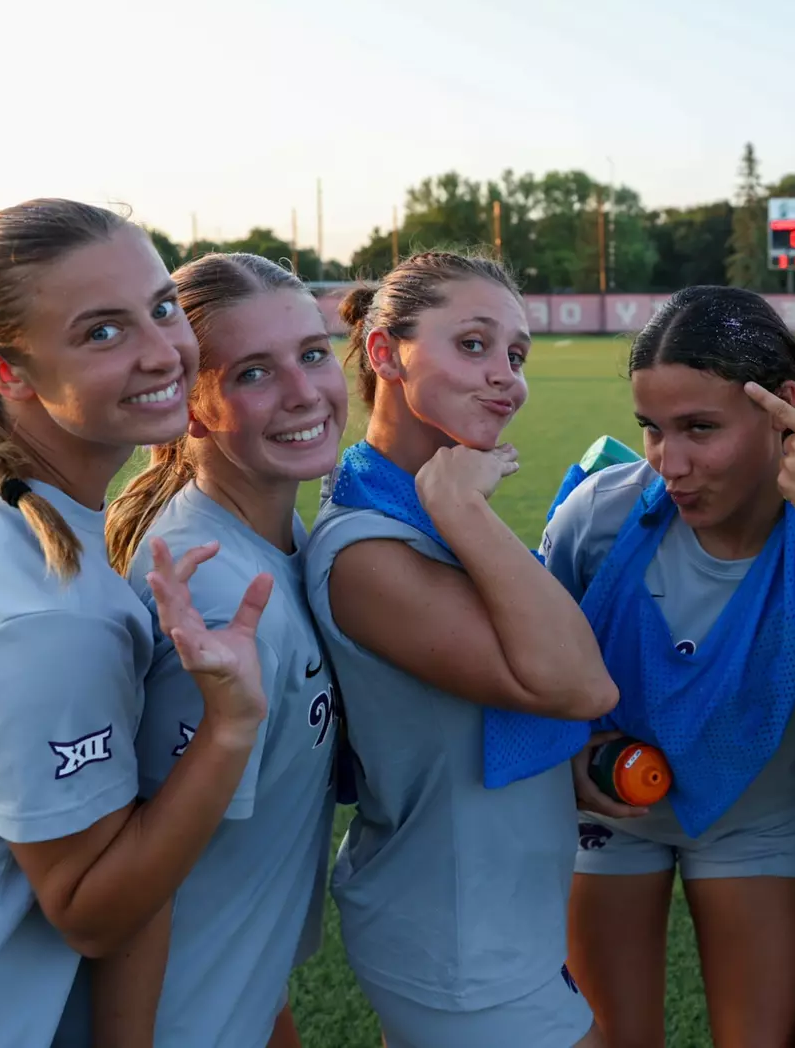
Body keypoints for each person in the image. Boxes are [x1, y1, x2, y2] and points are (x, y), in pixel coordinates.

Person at [0, 199, 273, 1048]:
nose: (163, 351)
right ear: (7, 372)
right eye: (101, 333)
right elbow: (94, 914)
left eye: (161, 306)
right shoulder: (37, 617)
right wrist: (230, 728)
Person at [542, 285, 795, 1048]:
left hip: (752, 818)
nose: (671, 463)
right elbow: (528, 681)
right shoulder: (598, 518)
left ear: (779, 404)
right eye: (653, 430)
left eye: (700, 428)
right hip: (609, 812)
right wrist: (569, 759)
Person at [302, 251, 618, 1048]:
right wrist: (464, 508)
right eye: (472, 345)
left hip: (488, 914)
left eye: (516, 355)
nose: (505, 377)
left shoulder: (415, 515)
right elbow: (580, 686)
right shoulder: (371, 549)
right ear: (385, 354)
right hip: (458, 935)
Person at [53, 252, 347, 1047]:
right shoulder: (214, 591)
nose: (304, 393)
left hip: (233, 1002)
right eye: (254, 373)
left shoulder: (276, 539)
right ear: (190, 404)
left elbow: (237, 867)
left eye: (314, 354)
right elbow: (144, 883)